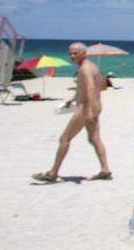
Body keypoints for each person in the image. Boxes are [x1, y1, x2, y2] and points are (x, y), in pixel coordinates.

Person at [33, 42, 112, 182]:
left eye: (75, 53)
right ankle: (105, 170)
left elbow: (90, 88)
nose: (72, 56)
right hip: (95, 106)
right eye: (70, 53)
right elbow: (101, 85)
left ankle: (53, 173)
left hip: (86, 107)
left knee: (64, 139)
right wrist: (73, 98)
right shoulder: (92, 66)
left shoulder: (85, 69)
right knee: (94, 138)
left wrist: (87, 110)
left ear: (84, 53)